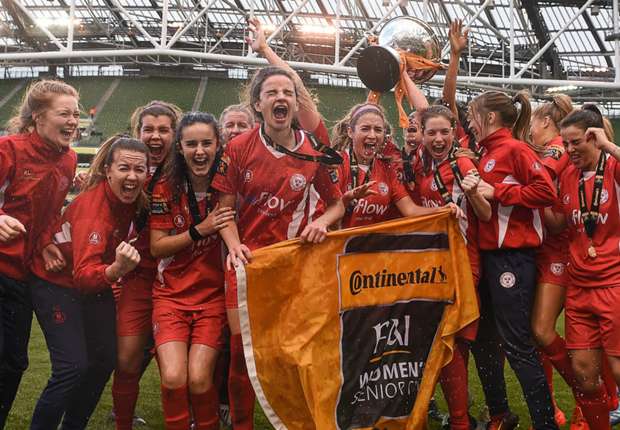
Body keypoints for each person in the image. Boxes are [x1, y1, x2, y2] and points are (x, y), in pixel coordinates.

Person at [212, 65, 345, 429]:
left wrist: (320, 222)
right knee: (241, 356)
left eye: (287, 92)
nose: (280, 98)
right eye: (272, 93)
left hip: (294, 268)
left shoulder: (314, 150)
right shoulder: (238, 148)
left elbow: (338, 204)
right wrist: (236, 247)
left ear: (295, 101)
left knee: (295, 353)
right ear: (258, 103)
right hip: (247, 266)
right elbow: (223, 211)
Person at [29, 136, 148, 429]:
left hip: (91, 284)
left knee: (105, 359)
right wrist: (117, 269)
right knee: (72, 367)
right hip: (56, 284)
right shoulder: (95, 211)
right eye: (124, 169)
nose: (132, 177)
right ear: (108, 171)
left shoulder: (132, 200)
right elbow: (83, 277)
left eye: (139, 170)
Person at [467, 90, 559, 430]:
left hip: (514, 260)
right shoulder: (487, 153)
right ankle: (502, 416)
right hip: (490, 260)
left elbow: (546, 192)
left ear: (490, 118)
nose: (469, 123)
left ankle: (545, 424)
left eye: (473, 115)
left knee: (518, 346)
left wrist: (498, 191)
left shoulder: (516, 149)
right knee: (484, 342)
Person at [0, 79, 78, 428]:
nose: (74, 120)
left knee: (14, 363)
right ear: (37, 117)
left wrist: (46, 242)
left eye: (76, 113)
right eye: (65, 113)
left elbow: (47, 216)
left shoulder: (69, 160)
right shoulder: (9, 149)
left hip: (22, 277)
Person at [149, 112, 235, 429]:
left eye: (206, 143)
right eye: (191, 144)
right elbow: (157, 247)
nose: (199, 151)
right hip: (170, 297)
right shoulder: (165, 188)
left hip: (212, 298)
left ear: (218, 146)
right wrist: (201, 229)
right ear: (180, 148)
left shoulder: (227, 188)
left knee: (199, 379)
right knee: (173, 378)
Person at [545, 105, 620, 430]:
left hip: (614, 285)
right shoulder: (568, 175)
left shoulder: (614, 167)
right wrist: (537, 195)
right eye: (566, 143)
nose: (569, 150)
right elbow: (560, 221)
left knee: (617, 370)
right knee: (586, 377)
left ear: (594, 138)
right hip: (579, 289)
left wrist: (609, 146)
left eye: (575, 142)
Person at [416, 105, 489, 430]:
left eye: (444, 131)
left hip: (462, 264)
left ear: (453, 133)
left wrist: (473, 195)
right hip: (430, 265)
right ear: (421, 134)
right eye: (431, 132)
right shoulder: (417, 164)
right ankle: (459, 414)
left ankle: (461, 419)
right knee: (440, 342)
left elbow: (485, 215)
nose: (438, 137)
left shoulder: (462, 164)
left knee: (452, 341)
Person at [111, 100, 182, 430]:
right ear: (137, 132)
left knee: (176, 357)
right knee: (127, 357)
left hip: (180, 277)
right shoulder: (130, 168)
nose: (155, 136)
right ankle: (122, 419)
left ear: (174, 133)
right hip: (138, 276)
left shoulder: (188, 169)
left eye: (163, 130)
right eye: (148, 129)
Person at [334, 102, 460, 228]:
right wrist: (346, 200)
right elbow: (327, 214)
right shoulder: (336, 164)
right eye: (365, 128)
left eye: (378, 130)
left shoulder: (387, 169)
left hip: (374, 246)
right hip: (340, 246)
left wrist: (443, 209)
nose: (372, 135)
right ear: (350, 132)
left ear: (384, 135)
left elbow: (410, 210)